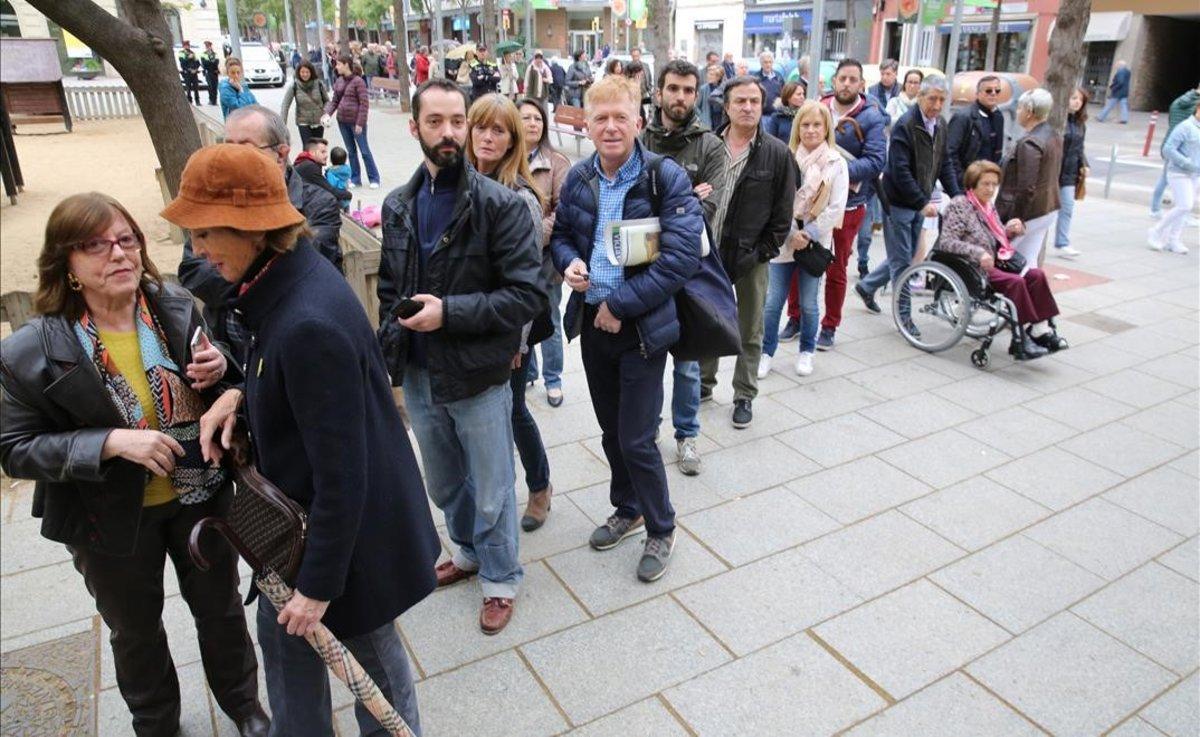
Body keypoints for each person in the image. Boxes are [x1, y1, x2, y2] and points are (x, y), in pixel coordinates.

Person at [166, 144, 439, 737]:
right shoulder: (283, 284)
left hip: (338, 549)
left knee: (377, 683)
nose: (198, 251)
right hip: (295, 539)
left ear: (256, 229)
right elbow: (296, 393)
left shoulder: (305, 317)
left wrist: (316, 588)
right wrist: (239, 397)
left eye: (208, 232)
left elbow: (344, 474)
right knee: (290, 664)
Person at [0, 192, 270, 737]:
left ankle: (244, 706)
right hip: (108, 516)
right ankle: (156, 723)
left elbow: (225, 386)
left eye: (126, 240)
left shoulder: (172, 304)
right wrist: (109, 443)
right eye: (95, 245)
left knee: (220, 613)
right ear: (67, 263)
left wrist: (222, 366)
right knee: (136, 631)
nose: (117, 254)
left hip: (198, 495)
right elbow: (13, 447)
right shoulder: (31, 348)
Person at [376, 79, 544, 634]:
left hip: (478, 373)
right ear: (416, 127)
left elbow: (526, 296)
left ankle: (501, 576)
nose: (449, 133)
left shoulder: (501, 205)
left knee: (493, 486)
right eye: (436, 122)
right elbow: (387, 287)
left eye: (457, 122)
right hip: (420, 372)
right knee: (444, 481)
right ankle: (468, 551)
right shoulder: (398, 205)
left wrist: (449, 313)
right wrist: (389, 344)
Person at [551, 74, 702, 581]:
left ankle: (662, 525)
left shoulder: (665, 178)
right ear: (587, 125)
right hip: (593, 323)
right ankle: (628, 506)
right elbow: (564, 235)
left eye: (621, 117)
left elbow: (679, 259)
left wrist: (619, 303)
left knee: (637, 438)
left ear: (638, 121)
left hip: (641, 327)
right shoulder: (578, 178)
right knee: (611, 432)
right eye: (601, 118)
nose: (611, 127)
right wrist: (569, 262)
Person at [178, 105, 343, 360]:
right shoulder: (215, 205)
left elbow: (297, 274)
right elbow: (194, 273)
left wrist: (237, 272)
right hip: (233, 353)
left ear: (281, 154)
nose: (232, 159)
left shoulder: (318, 204)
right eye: (227, 147)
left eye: (244, 148)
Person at [466, 94, 557, 534]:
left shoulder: (519, 197)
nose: (487, 136)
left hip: (508, 329)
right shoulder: (456, 184)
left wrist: (516, 343)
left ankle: (539, 486)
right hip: (466, 322)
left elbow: (525, 279)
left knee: (512, 410)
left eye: (498, 130)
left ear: (513, 140)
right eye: (480, 127)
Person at [641, 59, 729, 475]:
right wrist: (682, 198)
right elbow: (631, 206)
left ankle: (687, 436)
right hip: (646, 269)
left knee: (688, 363)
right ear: (659, 92)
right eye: (673, 89)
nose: (680, 97)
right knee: (650, 356)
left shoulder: (710, 145)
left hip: (692, 271)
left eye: (688, 90)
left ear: (697, 95)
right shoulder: (641, 140)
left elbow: (706, 210)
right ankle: (648, 432)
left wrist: (668, 205)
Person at [700, 75, 794, 429]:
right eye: (740, 101)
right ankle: (704, 384)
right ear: (726, 106)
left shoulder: (777, 153)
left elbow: (783, 214)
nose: (748, 107)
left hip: (752, 256)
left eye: (754, 101)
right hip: (708, 251)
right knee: (708, 321)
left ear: (763, 104)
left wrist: (762, 252)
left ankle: (744, 394)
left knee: (750, 329)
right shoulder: (708, 146)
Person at [855, 75, 962, 327]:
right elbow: (900, 170)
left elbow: (944, 162)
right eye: (932, 99)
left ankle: (866, 286)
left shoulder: (940, 124)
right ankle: (904, 317)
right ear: (921, 96)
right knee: (903, 264)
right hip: (900, 204)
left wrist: (957, 195)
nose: (937, 105)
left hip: (919, 202)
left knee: (906, 255)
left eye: (941, 100)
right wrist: (920, 202)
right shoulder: (906, 124)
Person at [936, 160, 1067, 359]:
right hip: (972, 266)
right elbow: (946, 242)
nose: (990, 189)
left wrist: (1010, 230)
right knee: (1016, 282)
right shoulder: (959, 205)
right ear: (973, 184)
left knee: (1036, 275)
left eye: (993, 184)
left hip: (996, 261)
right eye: (985, 184)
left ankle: (1040, 329)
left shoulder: (987, 206)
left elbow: (996, 238)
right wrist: (978, 253)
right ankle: (1020, 339)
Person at [761, 101, 849, 378]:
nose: (811, 130)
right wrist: (790, 233)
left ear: (826, 129)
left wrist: (808, 233)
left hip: (816, 241)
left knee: (810, 303)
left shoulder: (836, 162)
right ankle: (766, 351)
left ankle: (806, 351)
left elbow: (836, 206)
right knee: (773, 301)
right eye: (805, 125)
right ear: (797, 127)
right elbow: (775, 202)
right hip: (783, 239)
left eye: (817, 125)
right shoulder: (785, 157)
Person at [810, 59, 886, 350]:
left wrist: (834, 172)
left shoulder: (871, 117)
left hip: (849, 204)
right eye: (842, 78)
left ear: (861, 84)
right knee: (799, 261)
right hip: (811, 202)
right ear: (834, 81)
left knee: (837, 266)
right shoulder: (819, 107)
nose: (846, 84)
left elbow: (876, 161)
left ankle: (829, 325)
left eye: (852, 79)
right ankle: (795, 318)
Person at [519, 98, 571, 410]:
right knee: (522, 317)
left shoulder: (557, 162)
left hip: (547, 257)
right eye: (526, 118)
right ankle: (530, 371)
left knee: (550, 318)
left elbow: (563, 211)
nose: (533, 124)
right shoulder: (507, 160)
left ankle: (553, 378)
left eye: (538, 118)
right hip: (515, 259)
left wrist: (532, 235)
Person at [996, 88, 1062, 266]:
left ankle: (1017, 291)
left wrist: (1017, 218)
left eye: (1020, 108)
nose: (1017, 112)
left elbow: (1026, 186)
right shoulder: (1052, 135)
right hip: (1046, 208)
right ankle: (1029, 291)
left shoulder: (1030, 143)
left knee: (1009, 258)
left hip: (1030, 213)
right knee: (1028, 259)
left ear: (1029, 112)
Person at [1149, 99, 1200, 255]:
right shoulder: (1185, 127)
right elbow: (1168, 149)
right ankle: (1156, 231)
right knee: (1185, 205)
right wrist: (1187, 163)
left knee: (1183, 208)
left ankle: (1173, 240)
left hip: (1195, 174)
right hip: (1178, 172)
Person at [325, 54, 381, 189]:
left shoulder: (358, 82)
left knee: (364, 151)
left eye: (338, 64)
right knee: (351, 151)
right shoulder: (338, 81)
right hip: (342, 121)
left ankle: (374, 178)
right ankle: (355, 179)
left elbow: (364, 104)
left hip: (355, 122)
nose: (336, 67)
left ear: (346, 64)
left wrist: (360, 123)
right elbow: (335, 101)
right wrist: (327, 114)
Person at [945, 75, 1006, 193]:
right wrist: (963, 181)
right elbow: (949, 153)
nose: (993, 94)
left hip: (987, 185)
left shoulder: (999, 116)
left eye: (997, 91)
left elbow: (997, 153)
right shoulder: (963, 117)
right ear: (977, 94)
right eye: (988, 90)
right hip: (966, 184)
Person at [1150, 84, 1200, 217]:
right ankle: (1168, 211)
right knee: (1183, 182)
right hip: (1182, 148)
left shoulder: (1177, 102)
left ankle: (1155, 209)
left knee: (1165, 179)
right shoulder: (1195, 107)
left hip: (1171, 142)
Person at [1055, 87, 1090, 258]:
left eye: (1080, 100)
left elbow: (1080, 148)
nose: (1077, 102)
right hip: (1054, 170)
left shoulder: (1080, 124)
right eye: (1074, 98)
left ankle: (1062, 242)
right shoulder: (1059, 121)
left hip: (1069, 173)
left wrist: (1084, 164)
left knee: (1067, 207)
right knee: (1044, 210)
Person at [281, 60, 329, 149]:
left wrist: (325, 113)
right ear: (298, 72)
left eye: (307, 72)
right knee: (307, 147)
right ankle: (308, 163)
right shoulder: (295, 86)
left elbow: (327, 101)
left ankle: (318, 163)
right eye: (302, 72)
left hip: (318, 121)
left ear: (311, 72)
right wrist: (283, 124)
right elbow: (285, 105)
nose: (305, 74)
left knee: (318, 148)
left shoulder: (318, 84)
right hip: (303, 122)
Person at [292, 137, 353, 207]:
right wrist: (348, 194)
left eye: (326, 152)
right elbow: (329, 190)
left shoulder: (303, 162)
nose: (326, 155)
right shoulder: (310, 167)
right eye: (323, 152)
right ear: (312, 153)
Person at [697, 63, 726, 131]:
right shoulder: (703, 89)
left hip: (720, 119)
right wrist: (701, 116)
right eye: (708, 74)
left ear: (718, 77)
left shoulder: (724, 88)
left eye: (711, 74)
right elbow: (697, 106)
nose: (708, 76)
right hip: (707, 120)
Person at [179, 40, 202, 106]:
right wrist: (188, 58)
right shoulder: (181, 53)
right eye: (185, 45)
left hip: (194, 73)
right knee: (188, 88)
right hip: (187, 73)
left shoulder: (192, 53)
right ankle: (189, 101)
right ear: (183, 46)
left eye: (188, 45)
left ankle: (197, 101)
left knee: (196, 88)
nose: (187, 46)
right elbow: (182, 63)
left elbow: (198, 63)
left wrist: (195, 69)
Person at [201, 41, 221, 106]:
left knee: (215, 86)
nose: (207, 48)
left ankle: (214, 101)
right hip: (208, 72)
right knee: (210, 86)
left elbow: (217, 62)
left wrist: (209, 63)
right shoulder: (203, 54)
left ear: (210, 46)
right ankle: (211, 100)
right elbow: (204, 64)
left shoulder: (215, 54)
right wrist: (211, 63)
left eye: (208, 46)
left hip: (214, 72)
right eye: (206, 46)